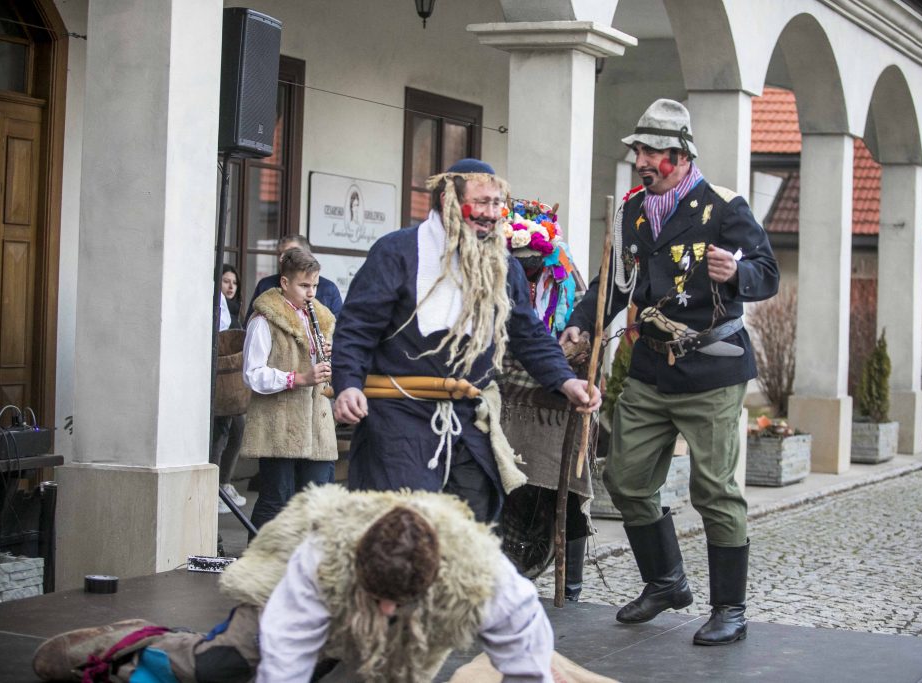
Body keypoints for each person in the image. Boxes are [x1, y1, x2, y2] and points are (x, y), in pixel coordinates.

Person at [562, 99, 779, 644]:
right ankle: (666, 582)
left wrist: (736, 273)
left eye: (652, 151)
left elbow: (767, 272)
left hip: (712, 371)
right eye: (638, 150)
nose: (641, 160)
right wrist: (581, 324)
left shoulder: (725, 206)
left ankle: (730, 609)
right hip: (651, 370)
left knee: (715, 491)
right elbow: (611, 280)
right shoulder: (632, 211)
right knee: (626, 480)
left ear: (681, 157)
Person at [31, 487, 560, 682]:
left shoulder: (486, 578)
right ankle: (141, 645)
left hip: (412, 620)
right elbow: (285, 664)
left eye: (392, 602)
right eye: (376, 596)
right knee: (229, 665)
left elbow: (529, 668)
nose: (382, 607)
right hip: (288, 579)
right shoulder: (323, 557)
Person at [331, 159, 600, 524]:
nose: (491, 214)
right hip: (399, 418)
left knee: (471, 529)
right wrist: (347, 384)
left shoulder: (503, 264)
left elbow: (528, 332)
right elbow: (357, 326)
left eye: (496, 204)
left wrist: (566, 381)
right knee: (402, 528)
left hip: (469, 419)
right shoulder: (397, 252)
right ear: (448, 200)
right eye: (482, 202)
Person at [497, 200, 593, 599]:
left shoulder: (568, 281)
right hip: (508, 402)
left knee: (563, 490)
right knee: (510, 487)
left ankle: (570, 581)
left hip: (558, 406)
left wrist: (576, 356)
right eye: (521, 262)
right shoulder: (497, 276)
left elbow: (586, 336)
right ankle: (506, 569)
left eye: (534, 261)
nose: (528, 268)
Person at [240, 248, 336, 531]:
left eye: (315, 286)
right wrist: (297, 378)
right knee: (275, 501)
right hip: (279, 426)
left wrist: (329, 356)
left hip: (316, 425)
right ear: (284, 283)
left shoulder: (320, 318)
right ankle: (261, 566)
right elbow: (252, 374)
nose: (311, 293)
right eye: (304, 286)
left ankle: (306, 567)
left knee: (317, 501)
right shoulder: (264, 320)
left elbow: (324, 374)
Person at [212, 264, 248, 513]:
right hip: (220, 383)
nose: (230, 286)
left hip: (234, 385)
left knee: (237, 430)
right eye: (226, 281)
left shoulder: (235, 312)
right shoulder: (216, 304)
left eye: (233, 282)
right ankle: (216, 486)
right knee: (221, 432)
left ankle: (223, 483)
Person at [246, 234, 344, 323]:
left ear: (308, 255)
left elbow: (340, 327)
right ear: (284, 283)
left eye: (290, 253)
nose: (282, 258)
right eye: (280, 254)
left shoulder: (329, 288)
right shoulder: (265, 284)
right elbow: (250, 322)